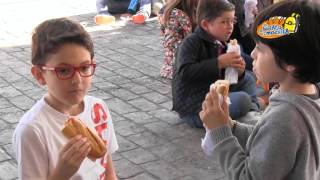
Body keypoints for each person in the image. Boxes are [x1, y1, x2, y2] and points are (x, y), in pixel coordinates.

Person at [200, 0, 320, 179]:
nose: (253, 54)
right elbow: (270, 142)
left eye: (260, 48)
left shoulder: (286, 117)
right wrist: (230, 126)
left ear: (289, 62)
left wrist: (220, 133)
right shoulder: (307, 96)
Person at [12, 18, 118, 180]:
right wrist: (61, 174)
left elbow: (108, 171)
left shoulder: (98, 108)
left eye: (84, 67)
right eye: (63, 71)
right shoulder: (32, 131)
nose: (77, 80)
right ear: (40, 75)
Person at [172, 0, 259, 128]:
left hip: (215, 91)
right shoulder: (191, 43)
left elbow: (243, 64)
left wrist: (240, 71)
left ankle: (252, 112)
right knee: (243, 99)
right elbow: (185, 72)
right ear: (206, 24)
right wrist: (219, 62)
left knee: (248, 79)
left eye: (231, 21)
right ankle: (247, 112)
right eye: (224, 22)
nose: (230, 26)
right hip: (197, 107)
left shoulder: (222, 41)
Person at [159, 0, 199, 79]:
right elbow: (172, 44)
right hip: (179, 66)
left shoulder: (170, 9)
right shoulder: (178, 14)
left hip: (174, 64)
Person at [95, 0, 165, 25]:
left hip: (133, 6)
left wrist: (130, 12)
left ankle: (143, 14)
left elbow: (145, 2)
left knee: (157, 7)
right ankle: (103, 15)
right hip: (114, 6)